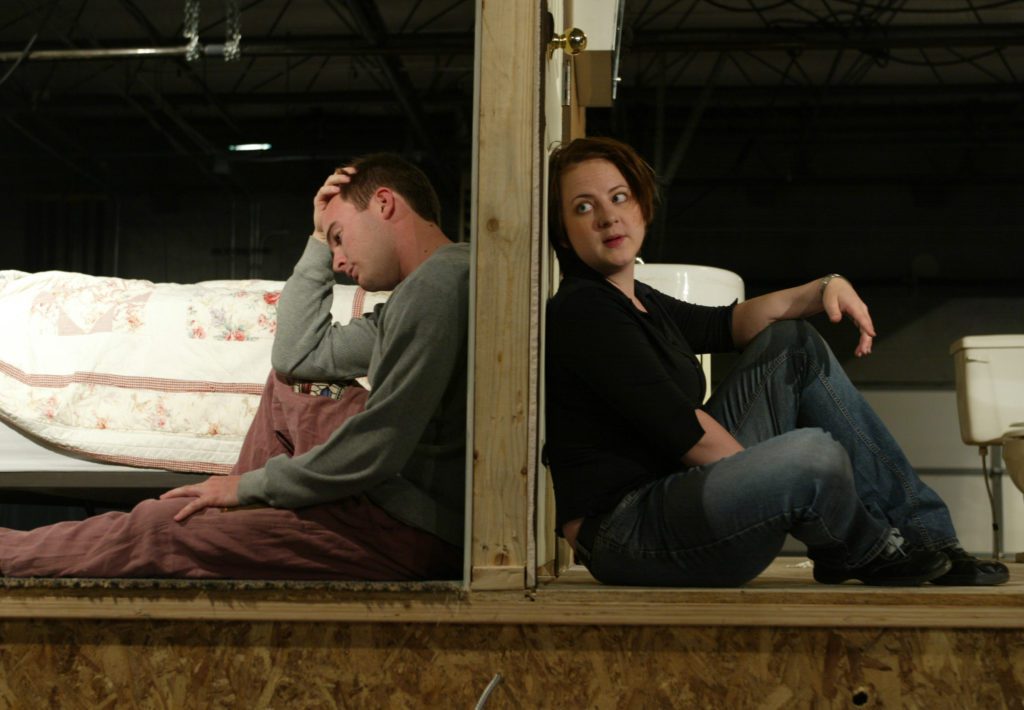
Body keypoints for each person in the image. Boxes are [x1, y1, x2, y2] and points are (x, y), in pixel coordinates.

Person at [544, 136, 1009, 587]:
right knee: (811, 455)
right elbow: (684, 433)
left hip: (675, 494)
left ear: (642, 206)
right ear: (563, 233)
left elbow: (730, 322)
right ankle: (863, 544)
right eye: (583, 207)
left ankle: (927, 536)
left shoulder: (639, 300)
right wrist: (774, 480)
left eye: (619, 197)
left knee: (793, 343)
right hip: (627, 532)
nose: (608, 217)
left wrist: (827, 286)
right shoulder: (585, 310)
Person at [0, 153, 469, 580]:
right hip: (391, 505)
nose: (339, 261)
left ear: (384, 203)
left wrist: (248, 487)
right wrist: (315, 238)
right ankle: (242, 526)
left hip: (404, 530)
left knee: (163, 530)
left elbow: (378, 444)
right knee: (290, 386)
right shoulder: (429, 287)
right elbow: (297, 357)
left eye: (339, 239)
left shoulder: (436, 289)